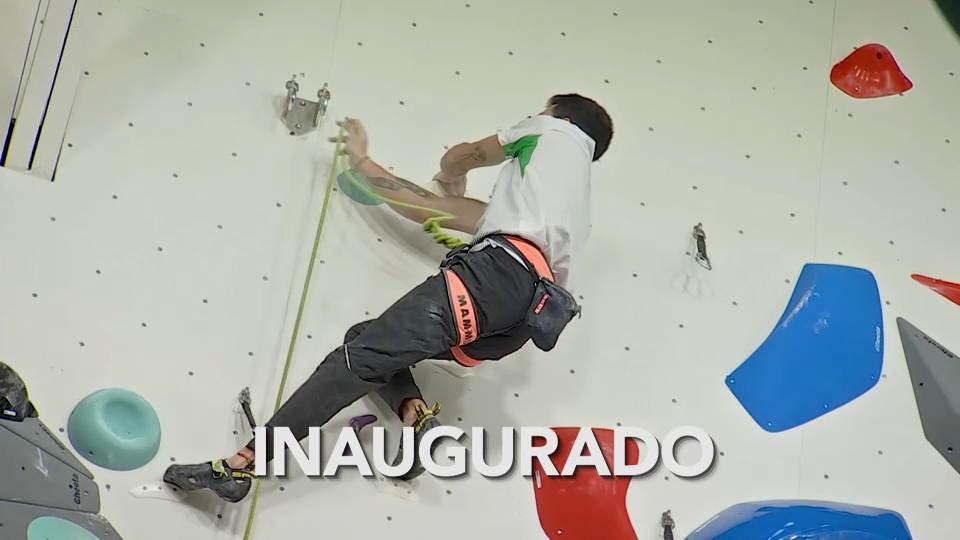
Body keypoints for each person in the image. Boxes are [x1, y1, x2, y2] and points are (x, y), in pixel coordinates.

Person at [162, 93, 614, 503]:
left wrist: (447, 174)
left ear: (565, 116)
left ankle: (244, 465)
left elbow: (465, 156)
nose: (535, 115)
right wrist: (364, 162)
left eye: (542, 109)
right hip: (522, 317)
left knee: (354, 360)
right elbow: (423, 207)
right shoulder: (557, 209)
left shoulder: (554, 131)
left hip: (493, 279)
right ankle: (417, 419)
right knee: (368, 339)